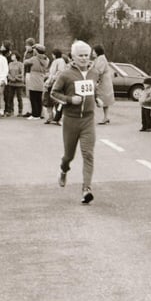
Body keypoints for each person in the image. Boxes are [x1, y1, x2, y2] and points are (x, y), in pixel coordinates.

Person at [51, 40, 100, 204]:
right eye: (81, 56)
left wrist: (97, 99)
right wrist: (70, 99)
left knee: (88, 154)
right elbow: (54, 93)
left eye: (87, 55)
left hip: (88, 119)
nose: (84, 58)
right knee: (68, 156)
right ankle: (63, 169)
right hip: (71, 120)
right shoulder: (65, 74)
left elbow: (94, 88)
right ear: (73, 56)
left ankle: (86, 189)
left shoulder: (94, 72)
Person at [23, 43, 49, 120]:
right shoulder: (46, 59)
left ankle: (35, 114)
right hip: (41, 79)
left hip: (34, 79)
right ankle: (38, 114)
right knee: (38, 98)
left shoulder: (34, 59)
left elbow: (25, 62)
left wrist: (25, 53)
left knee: (33, 97)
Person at [43, 48, 67, 125]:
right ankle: (55, 117)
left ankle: (54, 117)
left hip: (55, 83)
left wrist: (50, 81)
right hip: (55, 82)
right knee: (53, 101)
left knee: (52, 100)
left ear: (55, 55)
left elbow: (57, 72)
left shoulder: (58, 61)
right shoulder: (61, 61)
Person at [93, 44, 115, 125]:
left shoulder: (101, 59)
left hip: (103, 82)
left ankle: (105, 117)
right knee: (102, 100)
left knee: (101, 99)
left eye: (93, 51)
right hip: (103, 81)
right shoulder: (98, 58)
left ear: (97, 52)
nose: (92, 53)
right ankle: (105, 117)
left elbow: (99, 71)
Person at [6, 52, 24, 117]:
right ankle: (10, 111)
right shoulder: (10, 64)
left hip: (19, 83)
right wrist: (11, 78)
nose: (11, 56)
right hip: (11, 83)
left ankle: (20, 111)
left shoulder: (21, 64)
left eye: (13, 55)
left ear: (16, 56)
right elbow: (7, 72)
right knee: (10, 97)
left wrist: (16, 77)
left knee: (19, 98)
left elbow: (22, 73)